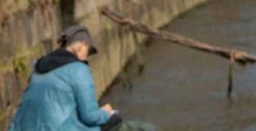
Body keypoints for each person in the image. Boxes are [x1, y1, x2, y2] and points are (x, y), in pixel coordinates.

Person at [5, 24, 158, 131]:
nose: (87, 57)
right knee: (141, 128)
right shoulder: (78, 69)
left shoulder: (38, 68)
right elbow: (90, 116)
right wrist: (106, 113)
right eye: (88, 50)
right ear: (81, 45)